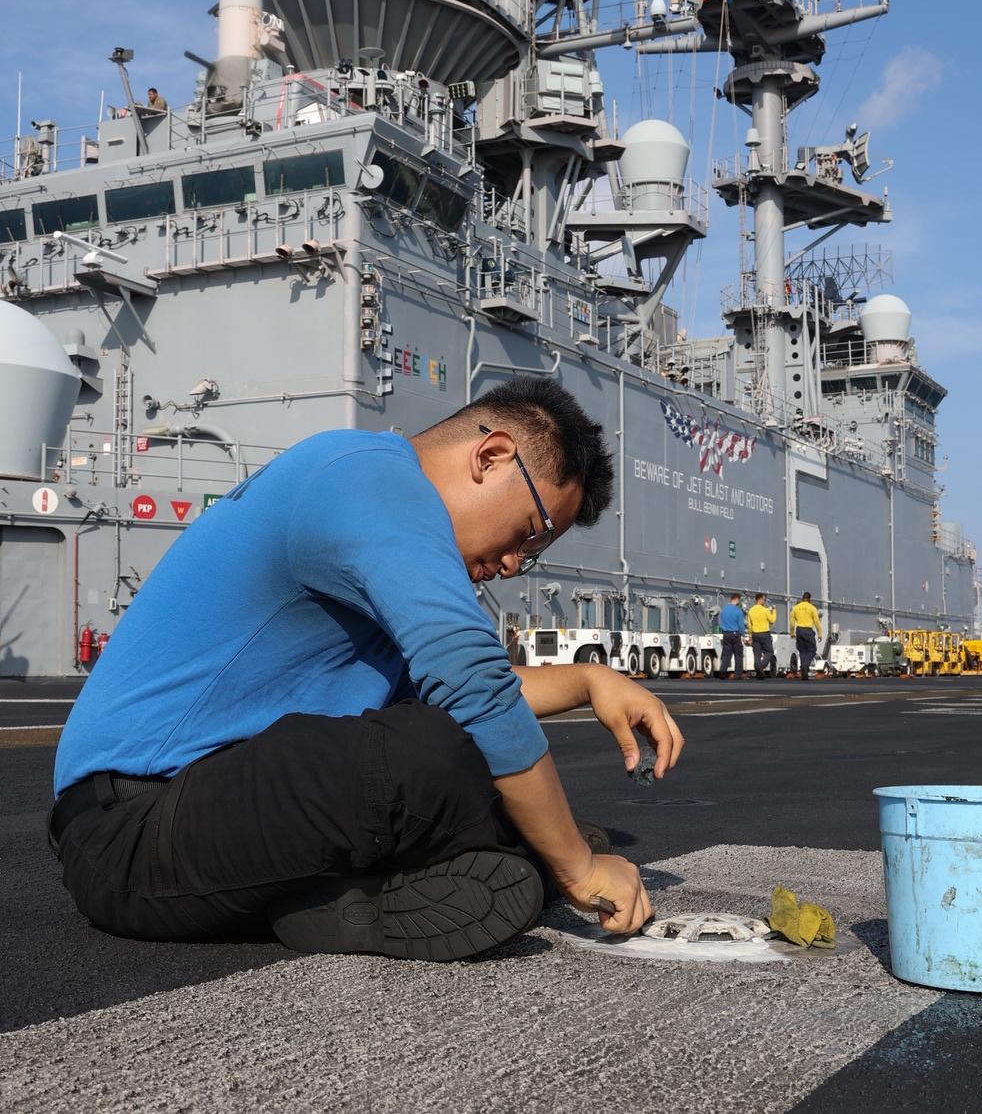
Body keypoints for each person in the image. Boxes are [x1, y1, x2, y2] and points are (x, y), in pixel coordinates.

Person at [49, 378, 684, 962]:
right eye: (531, 532)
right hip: (130, 832)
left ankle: (335, 906)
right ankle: (490, 860)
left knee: (474, 765)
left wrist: (588, 680)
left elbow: (454, 691)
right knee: (446, 759)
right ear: (490, 457)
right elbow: (471, 686)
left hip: (217, 814)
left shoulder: (373, 527)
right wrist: (577, 867)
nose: (518, 563)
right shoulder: (368, 481)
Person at [790, 592, 822, 681]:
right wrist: (820, 633)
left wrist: (792, 632)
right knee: (812, 650)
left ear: (802, 598)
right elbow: (816, 621)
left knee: (802, 650)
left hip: (799, 630)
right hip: (808, 631)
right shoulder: (812, 608)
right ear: (809, 599)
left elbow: (792, 622)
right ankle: (805, 665)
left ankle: (804, 672)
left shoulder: (796, 608)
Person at [715, 593, 746, 679]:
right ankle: (737, 674)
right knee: (738, 654)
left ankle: (722, 671)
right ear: (737, 600)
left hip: (726, 634)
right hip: (735, 634)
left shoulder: (724, 610)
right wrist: (743, 635)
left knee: (726, 654)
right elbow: (741, 625)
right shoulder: (738, 611)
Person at [747, 593, 777, 680]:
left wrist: (750, 636)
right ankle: (761, 666)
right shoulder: (765, 610)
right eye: (764, 600)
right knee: (769, 651)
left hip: (755, 634)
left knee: (757, 653)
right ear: (760, 599)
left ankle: (758, 668)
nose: (764, 601)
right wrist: (774, 610)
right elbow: (772, 620)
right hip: (764, 633)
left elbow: (750, 625)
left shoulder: (751, 611)